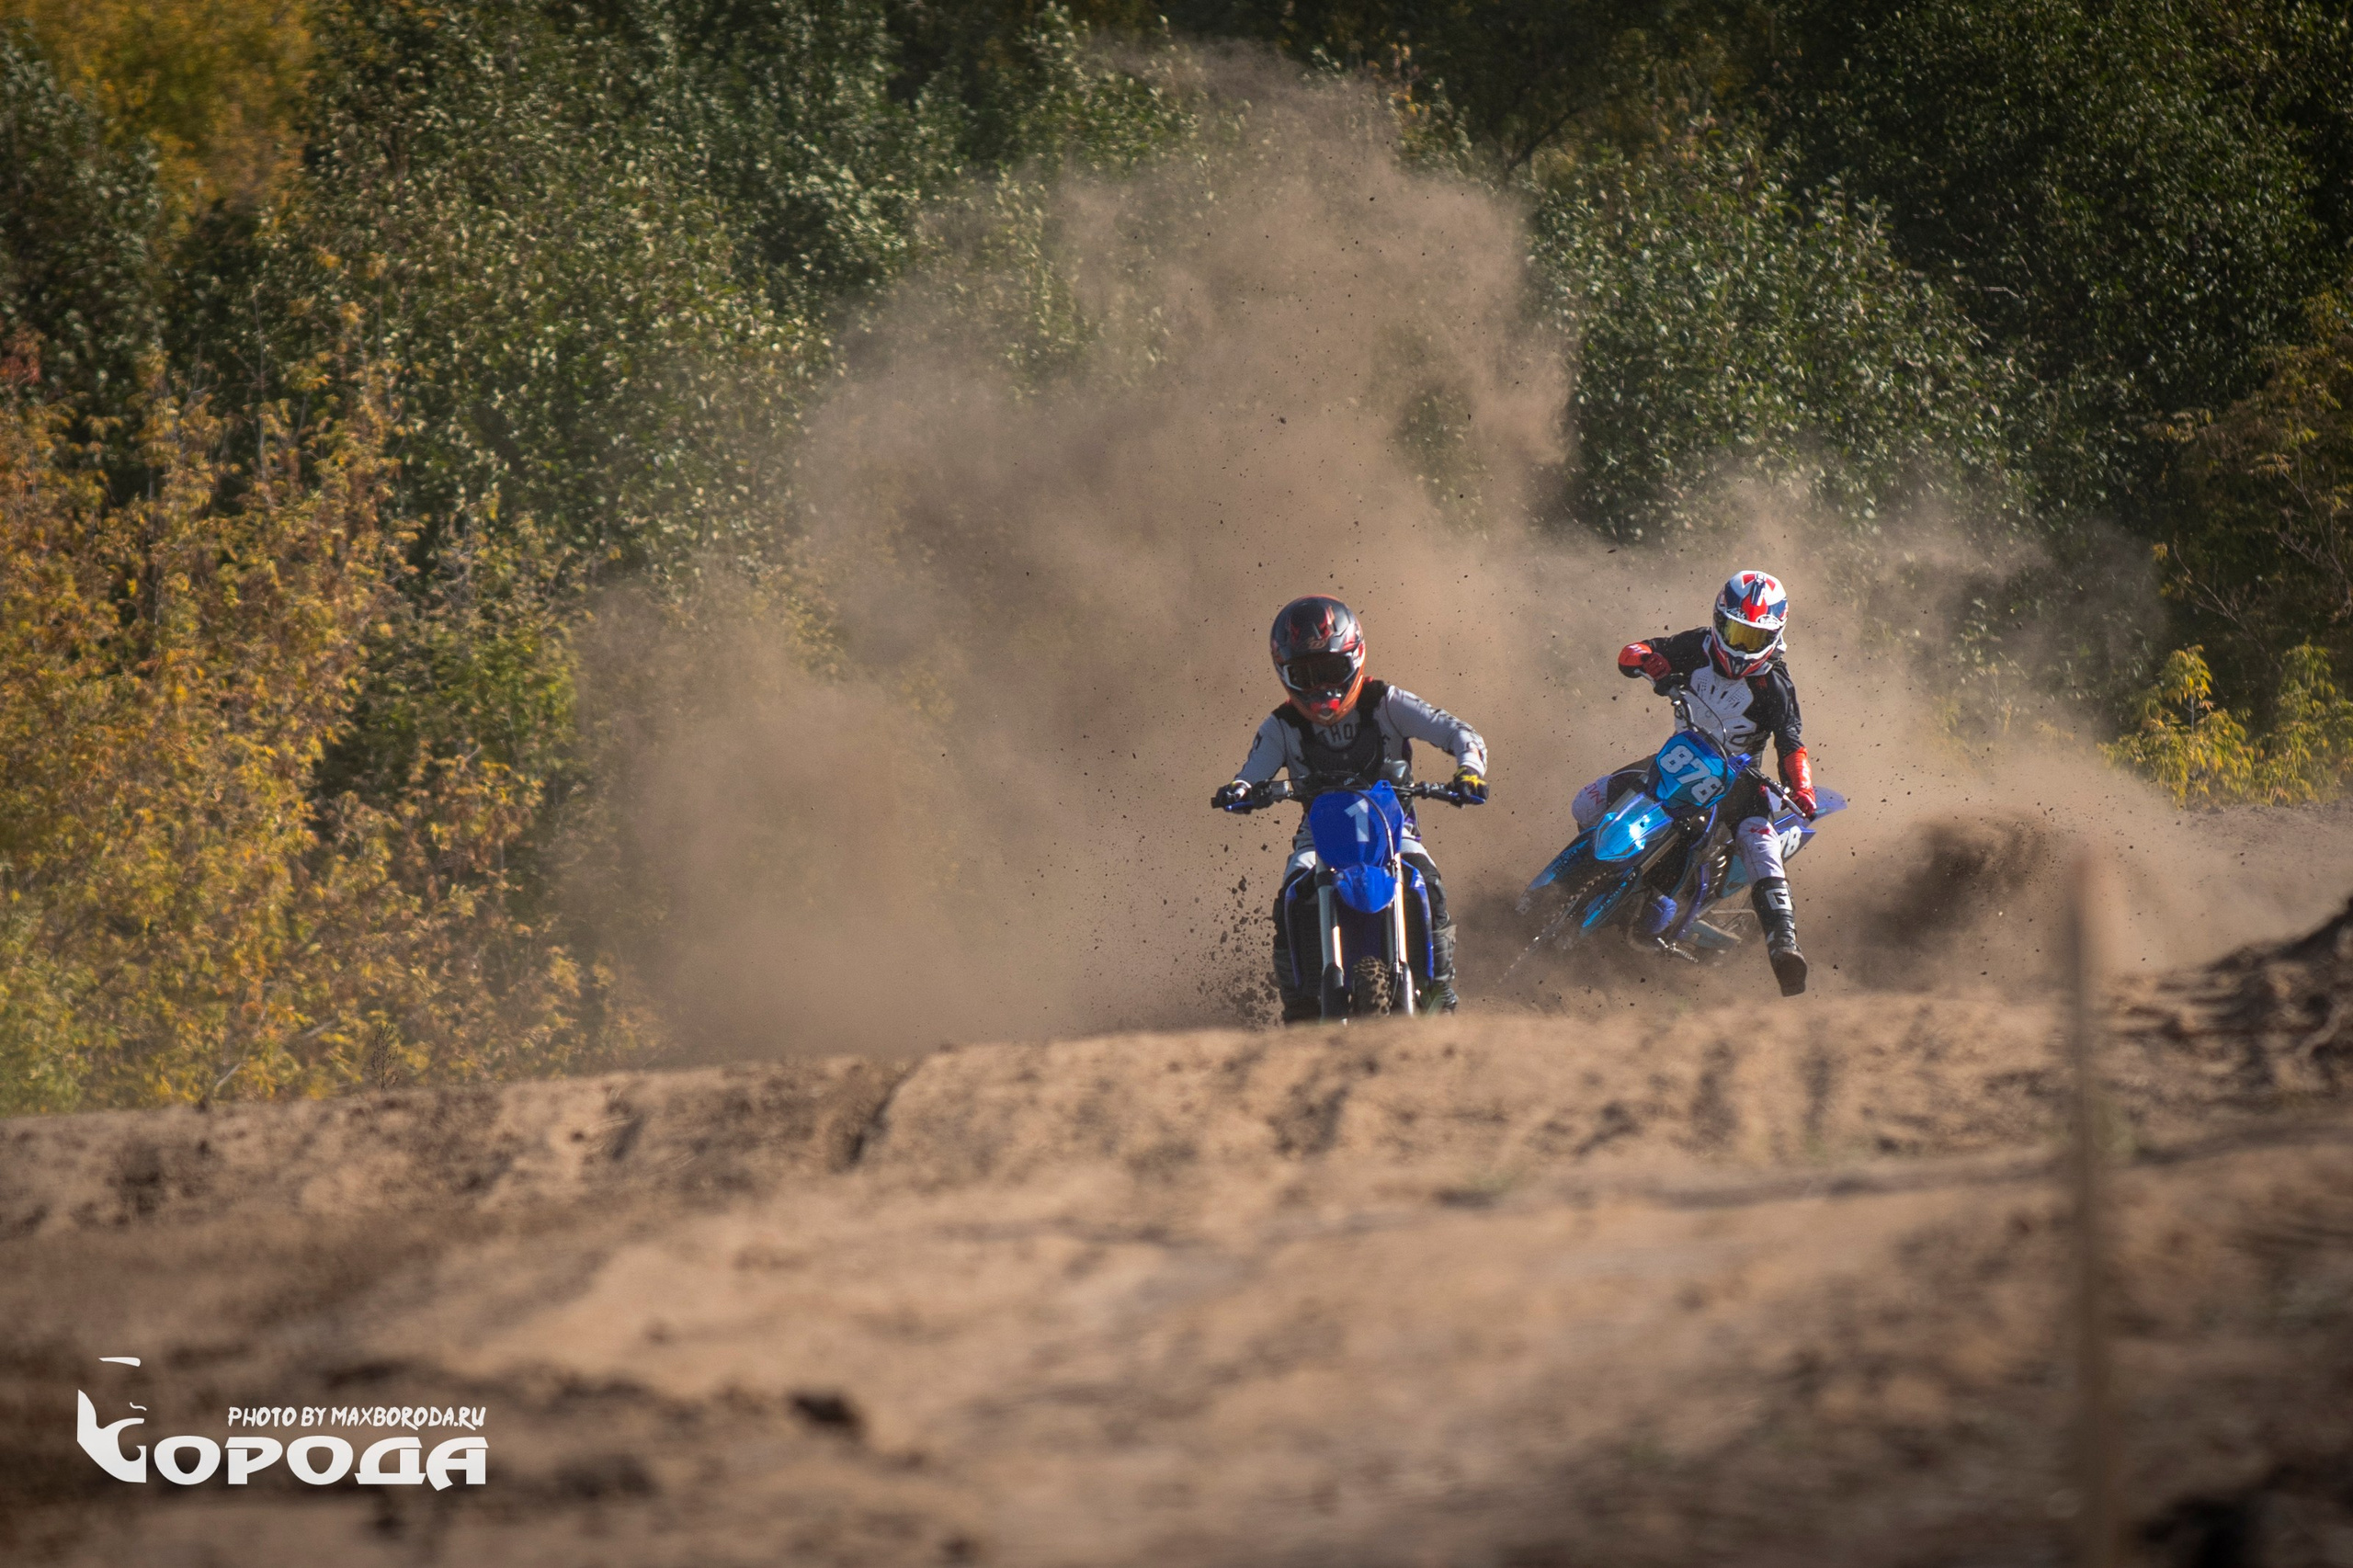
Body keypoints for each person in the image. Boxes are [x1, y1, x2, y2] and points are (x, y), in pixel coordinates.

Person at [1211, 596, 1488, 1020]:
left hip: (1393, 832)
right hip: (1320, 838)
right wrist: (1241, 790)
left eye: (1331, 671)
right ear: (1286, 675)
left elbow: (1457, 732)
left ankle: (1441, 993)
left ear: (1354, 658)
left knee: (1427, 882)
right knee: (1291, 893)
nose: (1323, 689)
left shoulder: (1386, 701)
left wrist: (1468, 771)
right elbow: (1251, 773)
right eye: (1308, 675)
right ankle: (1299, 1005)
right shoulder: (1282, 726)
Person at [1574, 570, 1818, 996]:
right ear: (1718, 620)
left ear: (1773, 636)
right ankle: (1584, 875)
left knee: (1760, 846)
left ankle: (1783, 944)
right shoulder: (1698, 646)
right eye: (1733, 631)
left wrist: (1802, 789)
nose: (1738, 646)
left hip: (1741, 786)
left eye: (1751, 638)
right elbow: (1634, 651)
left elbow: (1792, 745)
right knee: (1587, 802)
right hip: (1680, 760)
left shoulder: (1775, 687)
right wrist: (1651, 663)